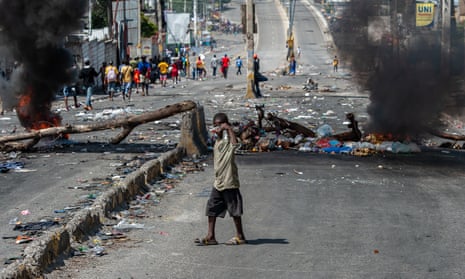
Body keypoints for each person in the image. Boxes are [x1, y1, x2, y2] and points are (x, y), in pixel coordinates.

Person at [195, 112, 246, 246]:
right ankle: (211, 236)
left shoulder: (229, 141)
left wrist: (228, 129)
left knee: (234, 210)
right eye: (215, 125)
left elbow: (234, 144)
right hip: (218, 182)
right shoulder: (218, 142)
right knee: (211, 208)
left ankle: (240, 236)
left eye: (219, 125)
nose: (216, 128)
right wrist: (218, 132)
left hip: (229, 181)